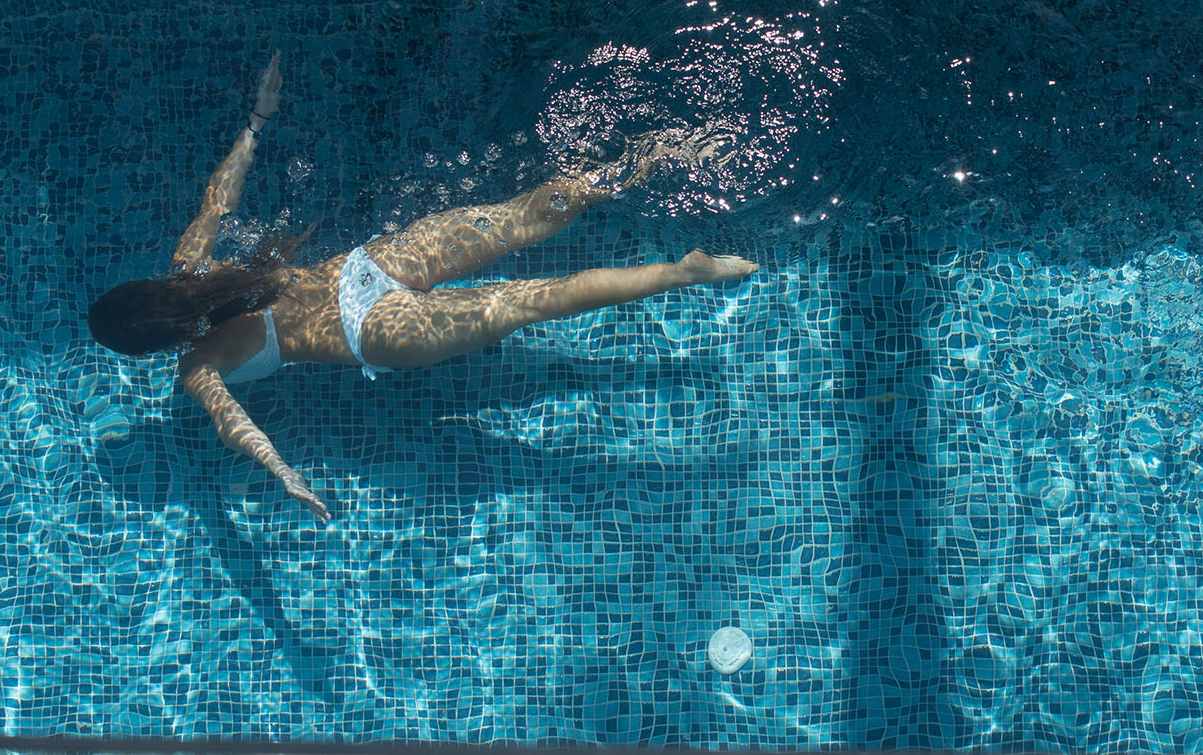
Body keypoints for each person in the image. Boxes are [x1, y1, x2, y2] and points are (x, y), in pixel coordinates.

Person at [86, 53, 757, 521]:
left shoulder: (197, 366)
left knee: (539, 299)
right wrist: (257, 121)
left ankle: (683, 271)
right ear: (148, 294)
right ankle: (661, 153)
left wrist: (282, 473)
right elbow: (220, 197)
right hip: (366, 267)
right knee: (526, 214)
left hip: (371, 332)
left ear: (150, 345)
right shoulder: (190, 267)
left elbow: (237, 429)